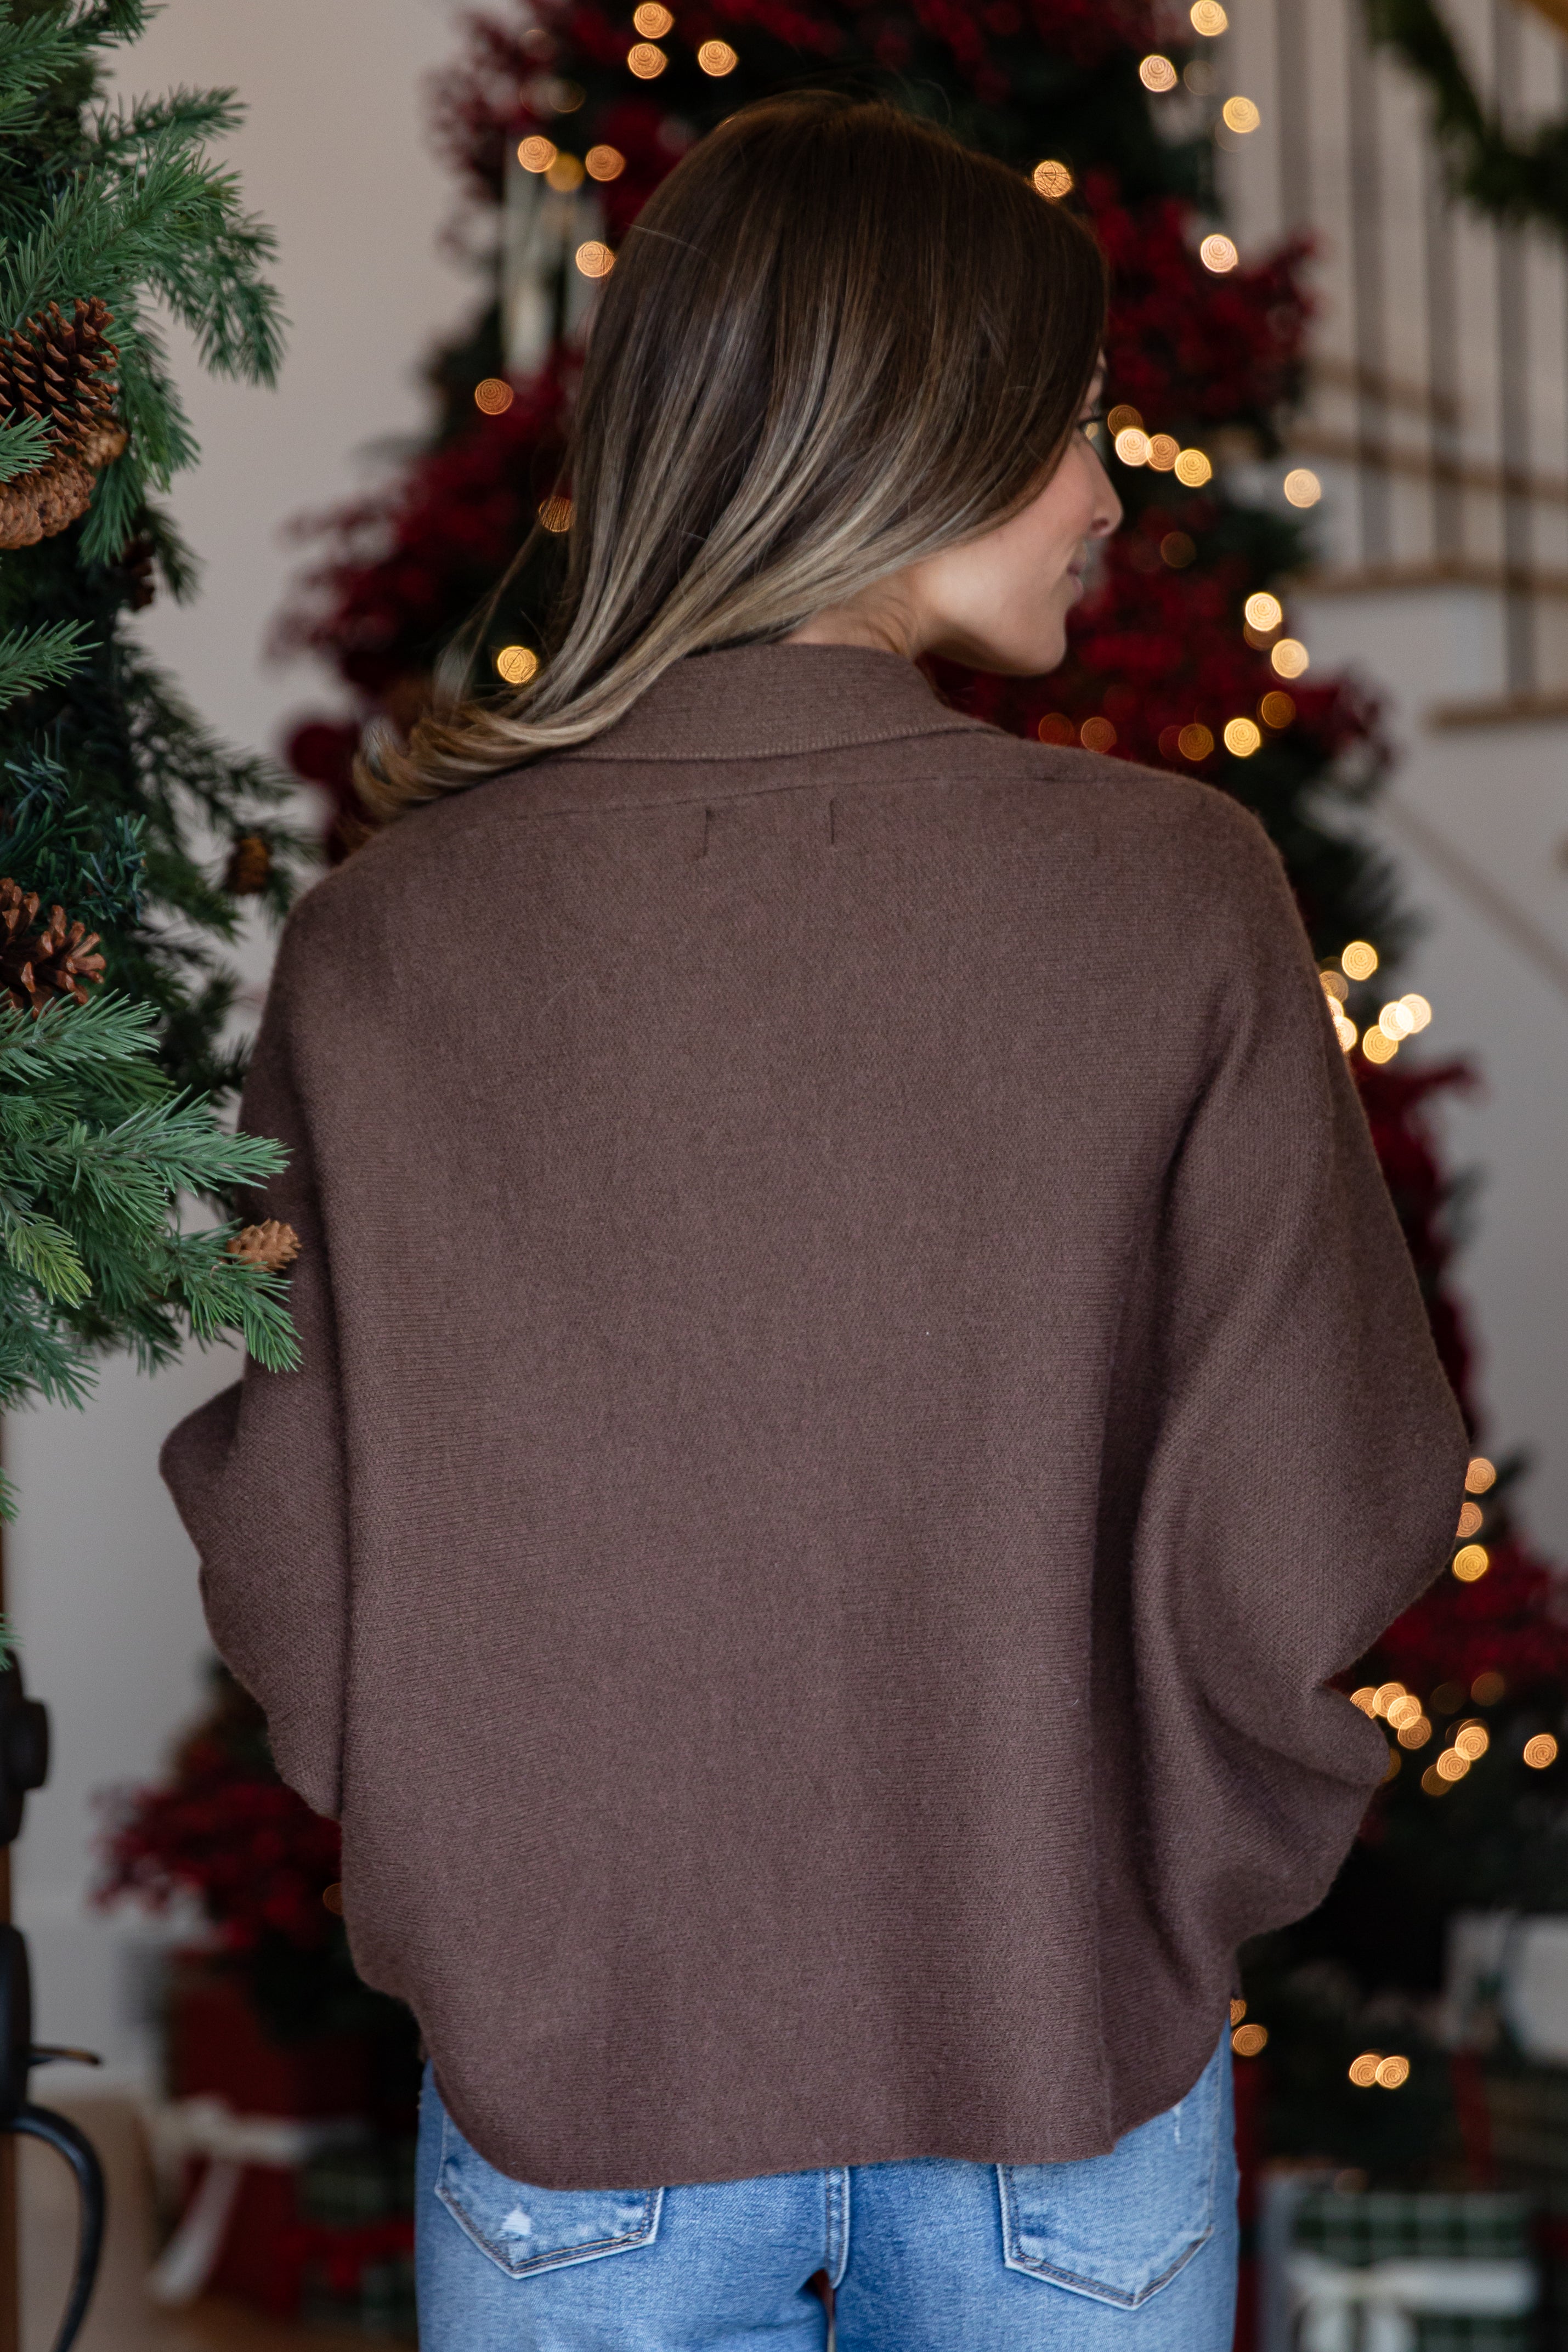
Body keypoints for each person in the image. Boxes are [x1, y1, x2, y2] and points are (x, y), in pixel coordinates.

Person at [161, 93, 1468, 2350]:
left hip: (586, 2103)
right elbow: (1323, 1492)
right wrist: (1177, 1863)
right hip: (1067, 2077)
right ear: (911, 424)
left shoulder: (393, 936)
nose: (1098, 493)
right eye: (1066, 424)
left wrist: (494, 1886)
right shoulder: (1169, 893)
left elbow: (289, 1525)